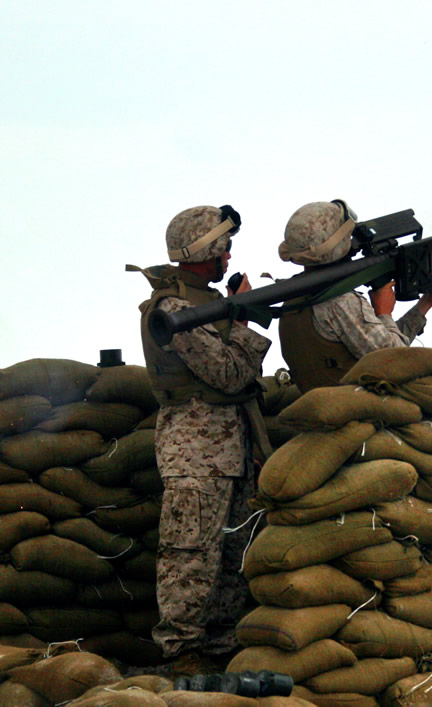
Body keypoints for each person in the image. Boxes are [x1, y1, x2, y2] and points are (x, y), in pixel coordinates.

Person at [132, 204, 272, 669]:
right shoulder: (172, 310)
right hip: (195, 453)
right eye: (224, 247)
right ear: (207, 250)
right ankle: (182, 650)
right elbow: (229, 374)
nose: (228, 257)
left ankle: (219, 647)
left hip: (230, 450)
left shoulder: (203, 304)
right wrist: (246, 321)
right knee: (190, 556)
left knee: (232, 557)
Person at [276, 199, 432, 391]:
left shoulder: (294, 296)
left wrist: (425, 304)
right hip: (352, 408)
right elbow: (398, 361)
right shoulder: (340, 302)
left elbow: (376, 342)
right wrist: (384, 312)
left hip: (323, 404)